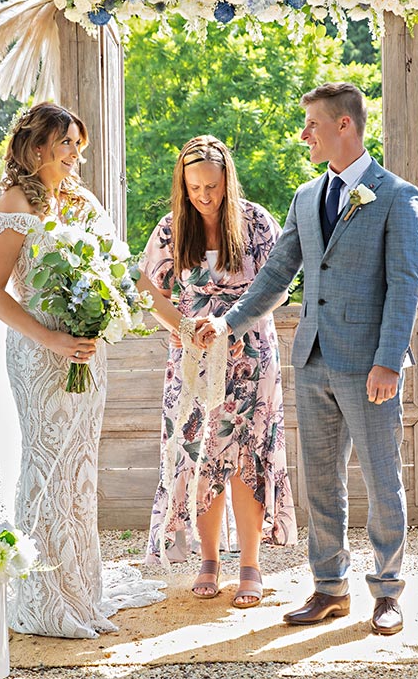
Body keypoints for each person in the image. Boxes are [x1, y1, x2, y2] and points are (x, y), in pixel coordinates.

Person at [195, 82, 418, 635]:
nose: (305, 136)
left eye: (313, 126)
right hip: (313, 360)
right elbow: (276, 275)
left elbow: (405, 284)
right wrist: (227, 322)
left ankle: (388, 593)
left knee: (382, 479)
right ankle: (329, 588)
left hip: (370, 366)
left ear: (345, 124)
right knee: (321, 482)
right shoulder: (305, 196)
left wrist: (389, 360)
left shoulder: (396, 195)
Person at [0, 102, 171, 638]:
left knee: (80, 467)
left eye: (79, 147)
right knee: (47, 463)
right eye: (67, 146)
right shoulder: (15, 202)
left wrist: (174, 323)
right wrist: (51, 337)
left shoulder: (81, 201)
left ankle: (80, 586)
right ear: (37, 148)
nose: (75, 157)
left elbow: (123, 272)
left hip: (87, 352)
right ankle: (41, 594)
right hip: (40, 353)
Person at [140, 135, 297, 608]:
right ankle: (209, 560)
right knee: (199, 455)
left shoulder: (256, 222)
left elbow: (280, 289)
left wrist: (228, 320)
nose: (204, 196)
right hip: (193, 360)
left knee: (249, 453)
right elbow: (149, 292)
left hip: (250, 356)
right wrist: (183, 325)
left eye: (211, 186)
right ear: (182, 187)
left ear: (227, 179)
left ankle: (250, 564)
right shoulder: (170, 230)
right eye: (194, 188)